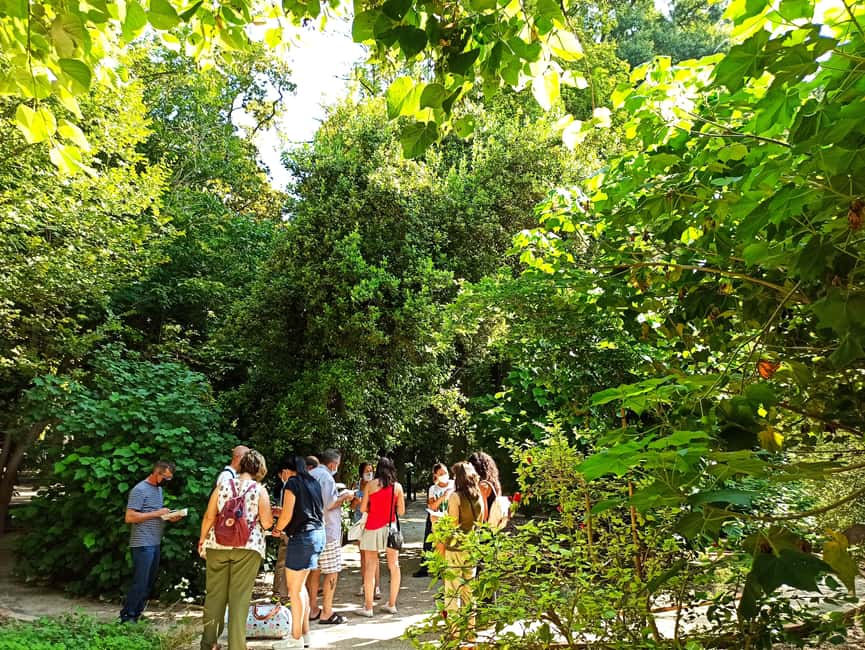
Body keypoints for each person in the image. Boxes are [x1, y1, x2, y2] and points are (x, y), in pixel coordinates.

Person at [198, 450, 273, 650]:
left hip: (217, 545)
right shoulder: (259, 490)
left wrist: (202, 539)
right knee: (239, 599)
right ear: (259, 469)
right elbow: (266, 523)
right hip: (248, 548)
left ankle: (208, 644)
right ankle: (237, 646)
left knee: (214, 596)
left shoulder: (222, 486)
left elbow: (209, 516)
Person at [120, 460, 185, 623]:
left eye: (170, 478)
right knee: (140, 581)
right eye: (166, 478)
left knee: (149, 581)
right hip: (142, 542)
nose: (167, 481)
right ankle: (127, 616)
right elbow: (130, 517)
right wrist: (157, 513)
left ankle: (137, 613)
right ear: (157, 473)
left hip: (155, 541)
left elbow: (154, 514)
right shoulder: (140, 489)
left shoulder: (159, 490)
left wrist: (169, 516)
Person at [272, 456, 326, 648]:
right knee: (300, 587)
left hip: (302, 538)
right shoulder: (313, 483)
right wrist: (281, 515)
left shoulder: (292, 483)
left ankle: (295, 639)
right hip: (317, 535)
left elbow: (287, 515)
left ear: (287, 471)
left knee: (294, 591)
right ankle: (304, 634)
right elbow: (305, 511)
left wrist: (277, 528)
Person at [307, 449, 354, 624]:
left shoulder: (309, 474)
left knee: (314, 571)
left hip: (311, 529)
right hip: (328, 530)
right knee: (332, 571)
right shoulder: (326, 477)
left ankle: (312, 608)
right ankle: (327, 612)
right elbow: (330, 504)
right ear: (333, 464)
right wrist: (345, 496)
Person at [358, 456, 405, 617]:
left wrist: (373, 508)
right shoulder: (397, 487)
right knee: (394, 566)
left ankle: (368, 607)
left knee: (370, 567)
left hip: (372, 528)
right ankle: (392, 604)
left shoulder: (370, 485)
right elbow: (401, 511)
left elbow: (362, 508)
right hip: (390, 528)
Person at [442, 462, 484, 638]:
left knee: (453, 591)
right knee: (469, 591)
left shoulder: (455, 497)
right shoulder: (478, 496)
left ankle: (454, 632)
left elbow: (452, 525)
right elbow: (480, 523)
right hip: (472, 547)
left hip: (456, 548)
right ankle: (470, 631)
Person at [414, 462, 453, 578]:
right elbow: (432, 506)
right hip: (436, 519)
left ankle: (448, 569)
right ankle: (434, 569)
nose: (444, 475)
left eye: (445, 472)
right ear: (435, 475)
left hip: (450, 519)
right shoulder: (433, 488)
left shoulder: (454, 484)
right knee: (434, 543)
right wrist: (443, 497)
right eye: (440, 474)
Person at [351, 462, 381, 599]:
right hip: (360, 522)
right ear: (361, 473)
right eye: (367, 471)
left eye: (371, 471)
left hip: (373, 521)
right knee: (363, 555)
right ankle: (364, 584)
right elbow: (352, 507)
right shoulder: (356, 486)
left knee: (374, 555)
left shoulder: (376, 485)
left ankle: (377, 587)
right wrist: (356, 501)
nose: (369, 473)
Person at [272, 457, 293, 603]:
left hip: (284, 527)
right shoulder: (287, 487)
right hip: (287, 529)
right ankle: (280, 594)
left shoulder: (286, 486)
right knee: (284, 562)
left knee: (282, 561)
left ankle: (278, 592)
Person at [468, 451, 502, 522]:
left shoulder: (482, 485)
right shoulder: (495, 484)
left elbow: (483, 514)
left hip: (484, 525)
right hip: (495, 522)